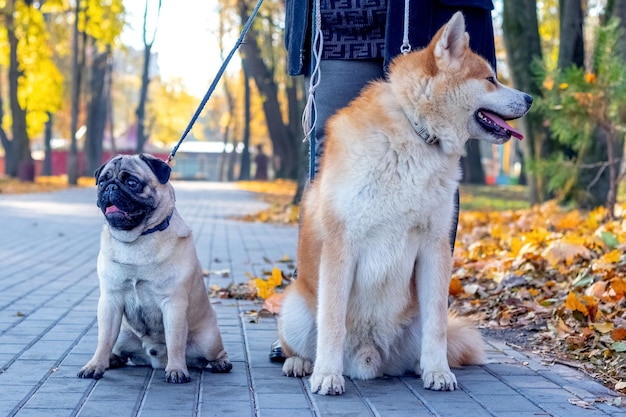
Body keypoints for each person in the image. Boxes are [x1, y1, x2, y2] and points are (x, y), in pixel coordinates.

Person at [269, 0, 496, 362]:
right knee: (336, 184)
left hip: (430, 13)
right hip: (341, 24)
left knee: (434, 167)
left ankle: (422, 332)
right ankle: (319, 327)